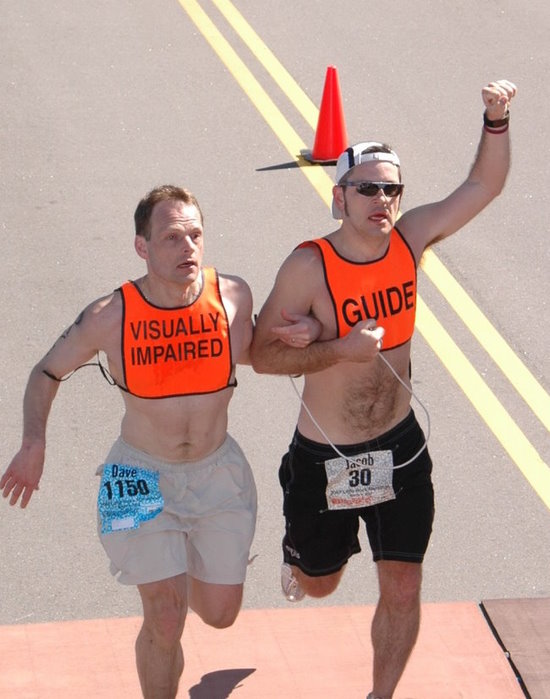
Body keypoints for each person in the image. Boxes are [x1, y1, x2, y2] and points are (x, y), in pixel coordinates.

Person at [250, 80, 517, 699]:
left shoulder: (410, 240)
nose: (382, 199)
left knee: (402, 584)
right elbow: (261, 356)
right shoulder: (308, 266)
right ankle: (303, 557)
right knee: (321, 583)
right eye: (367, 188)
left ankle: (380, 694)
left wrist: (495, 119)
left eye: (391, 188)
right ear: (338, 196)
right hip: (328, 458)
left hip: (399, 446)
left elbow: (484, 187)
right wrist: (337, 346)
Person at [0, 185, 316, 699]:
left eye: (195, 235)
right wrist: (33, 442)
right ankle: (165, 584)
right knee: (166, 619)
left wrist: (310, 332)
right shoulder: (110, 315)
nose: (187, 247)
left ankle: (180, 562)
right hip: (138, 475)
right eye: (171, 238)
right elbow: (46, 371)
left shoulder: (232, 297)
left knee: (220, 614)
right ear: (141, 247)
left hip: (218, 475)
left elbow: (262, 353)